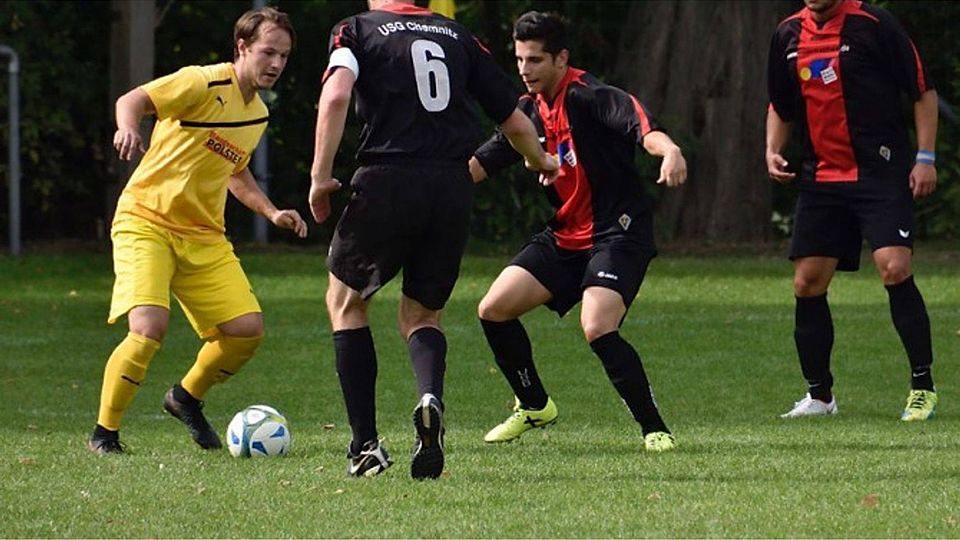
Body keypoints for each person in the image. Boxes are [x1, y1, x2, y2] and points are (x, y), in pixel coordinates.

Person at [309, 0, 558, 479]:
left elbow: (337, 96)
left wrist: (320, 177)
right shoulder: (457, 35)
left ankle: (364, 445)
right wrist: (541, 161)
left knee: (346, 303)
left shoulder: (356, 29)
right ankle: (429, 398)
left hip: (386, 177)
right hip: (451, 184)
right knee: (423, 314)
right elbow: (511, 118)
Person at [87, 7, 307, 455]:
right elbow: (132, 100)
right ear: (242, 47)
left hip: (203, 234)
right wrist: (128, 128)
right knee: (148, 328)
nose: (276, 64)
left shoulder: (258, 115)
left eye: (283, 56)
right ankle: (104, 435)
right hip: (146, 220)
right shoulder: (202, 81)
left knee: (246, 331)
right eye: (268, 52)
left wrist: (271, 212)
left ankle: (185, 398)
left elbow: (236, 172)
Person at [469, 11, 687, 452]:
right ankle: (534, 405)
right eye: (519, 60)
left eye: (535, 60)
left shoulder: (592, 96)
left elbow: (644, 128)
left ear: (561, 58)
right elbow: (480, 164)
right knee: (493, 308)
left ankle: (654, 428)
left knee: (597, 325)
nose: (525, 70)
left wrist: (670, 152)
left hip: (617, 233)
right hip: (566, 235)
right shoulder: (525, 112)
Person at [766, 0, 939, 420]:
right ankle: (820, 397)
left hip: (879, 171)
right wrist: (771, 149)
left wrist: (925, 157)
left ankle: (923, 387)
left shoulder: (874, 23)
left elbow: (922, 91)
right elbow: (780, 104)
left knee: (894, 267)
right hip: (821, 177)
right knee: (807, 283)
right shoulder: (787, 33)